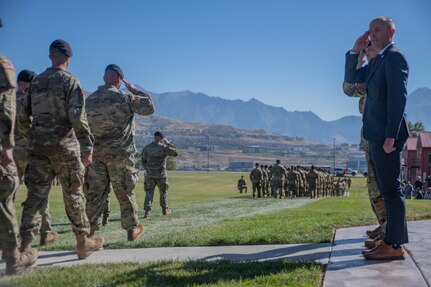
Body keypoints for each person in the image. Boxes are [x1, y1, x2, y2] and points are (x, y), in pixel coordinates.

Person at [18, 39, 103, 260]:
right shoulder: (70, 81)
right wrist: (87, 148)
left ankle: (25, 248)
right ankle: (83, 242)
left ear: (50, 56)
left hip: (39, 149)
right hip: (66, 148)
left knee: (35, 197)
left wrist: (33, 137)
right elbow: (77, 118)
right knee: (73, 194)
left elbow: (21, 116)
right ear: (68, 58)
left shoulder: (35, 82)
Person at [345, 16, 409, 260]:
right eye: (370, 31)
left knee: (392, 191)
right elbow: (351, 81)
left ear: (391, 32)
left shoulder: (394, 57)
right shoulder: (377, 61)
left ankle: (394, 246)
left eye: (378, 30)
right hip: (374, 135)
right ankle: (390, 241)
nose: (372, 34)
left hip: (385, 137)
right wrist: (355, 49)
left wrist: (391, 136)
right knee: (387, 191)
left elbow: (397, 100)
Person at [84, 64, 154, 240]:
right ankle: (132, 230)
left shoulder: (90, 100)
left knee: (94, 194)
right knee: (124, 191)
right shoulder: (126, 98)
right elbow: (149, 108)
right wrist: (135, 90)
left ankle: (89, 233)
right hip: (120, 155)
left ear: (103, 78)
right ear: (120, 80)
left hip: (96, 155)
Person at [0, 19, 38, 275]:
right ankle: (14, 256)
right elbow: (5, 106)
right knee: (7, 195)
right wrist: (6, 145)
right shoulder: (3, 64)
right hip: (19, 149)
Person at [343, 43, 387, 248]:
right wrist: (356, 58)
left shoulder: (382, 71)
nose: (365, 53)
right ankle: (383, 225)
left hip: (381, 138)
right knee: (373, 187)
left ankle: (388, 232)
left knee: (380, 187)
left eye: (368, 49)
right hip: (370, 139)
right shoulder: (369, 74)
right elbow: (349, 88)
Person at [15, 70, 57, 246]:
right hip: (33, 151)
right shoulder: (33, 101)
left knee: (8, 194)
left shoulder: (7, 100)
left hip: (11, 153)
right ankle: (45, 232)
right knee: (39, 192)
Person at [141, 131, 179, 217]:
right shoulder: (164, 148)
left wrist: (147, 169)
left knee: (149, 193)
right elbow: (176, 153)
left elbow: (143, 160)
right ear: (160, 138)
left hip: (149, 174)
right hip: (161, 174)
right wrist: (169, 144)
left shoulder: (147, 148)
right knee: (163, 192)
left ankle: (147, 212)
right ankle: (165, 210)